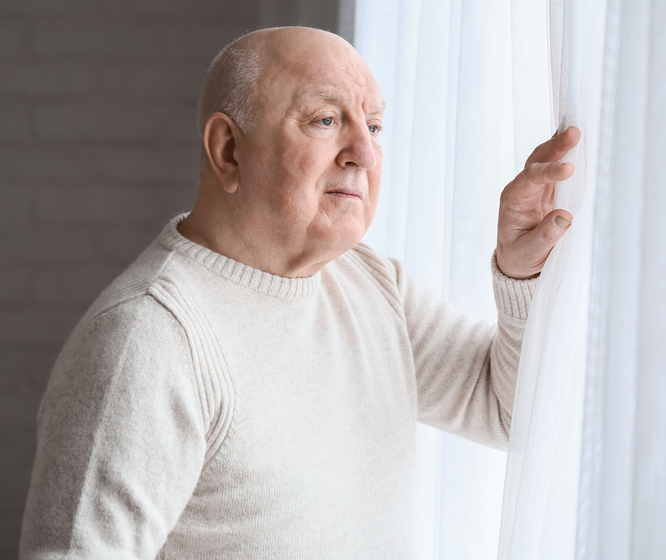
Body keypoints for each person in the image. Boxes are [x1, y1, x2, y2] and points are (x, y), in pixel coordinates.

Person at [19, 27, 580, 559]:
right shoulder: (147, 339)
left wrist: (521, 276)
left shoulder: (371, 284)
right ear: (229, 150)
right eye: (325, 119)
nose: (364, 151)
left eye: (375, 126)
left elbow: (512, 410)